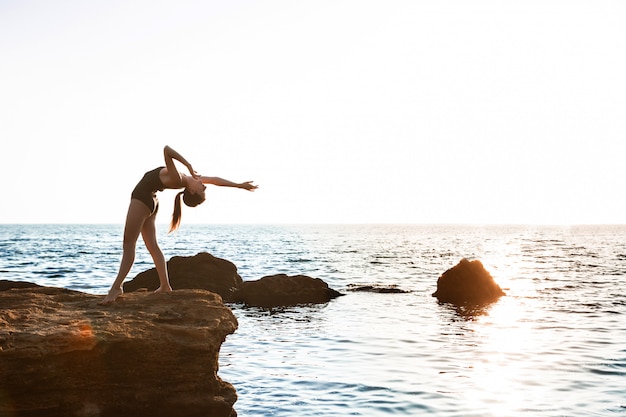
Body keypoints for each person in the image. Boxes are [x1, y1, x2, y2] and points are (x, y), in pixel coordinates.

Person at [100, 145, 257, 305]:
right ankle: (165, 286)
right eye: (204, 189)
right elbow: (216, 180)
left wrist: (188, 166)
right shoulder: (188, 180)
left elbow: (167, 150)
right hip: (151, 200)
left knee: (128, 244)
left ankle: (116, 288)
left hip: (142, 199)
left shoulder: (178, 179)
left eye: (202, 190)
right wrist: (239, 185)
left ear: (192, 191)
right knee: (152, 246)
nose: (205, 186)